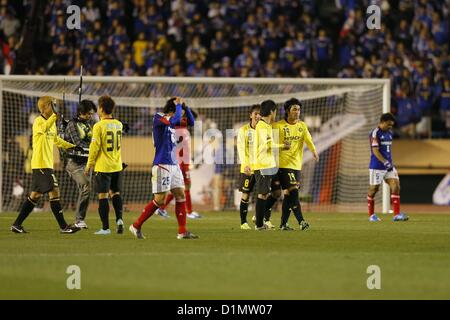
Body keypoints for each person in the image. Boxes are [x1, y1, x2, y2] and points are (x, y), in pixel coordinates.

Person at [129, 97, 198, 239]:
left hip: (174, 164)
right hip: (162, 164)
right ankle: (136, 225)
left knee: (180, 195)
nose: (182, 116)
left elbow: (192, 122)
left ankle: (182, 231)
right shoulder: (159, 117)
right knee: (160, 200)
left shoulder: (175, 122)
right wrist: (179, 105)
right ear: (173, 110)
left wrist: (185, 106)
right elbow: (174, 119)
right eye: (180, 112)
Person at [10, 96, 81, 234]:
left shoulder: (51, 123)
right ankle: (64, 227)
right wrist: (54, 118)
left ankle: (16, 224)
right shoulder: (38, 121)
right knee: (55, 192)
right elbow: (43, 129)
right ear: (44, 107)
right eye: (52, 105)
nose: (55, 107)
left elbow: (57, 140)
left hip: (46, 164)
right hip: (41, 164)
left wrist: (72, 147)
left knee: (34, 196)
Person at [271, 98, 318, 230]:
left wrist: (314, 151)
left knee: (287, 194)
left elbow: (308, 139)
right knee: (294, 192)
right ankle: (301, 221)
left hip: (296, 165)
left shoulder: (302, 126)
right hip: (283, 165)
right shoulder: (278, 126)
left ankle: (283, 223)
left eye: (298, 109)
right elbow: (272, 145)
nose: (297, 112)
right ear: (287, 111)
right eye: (294, 109)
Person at [84, 96, 125, 234]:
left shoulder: (98, 126)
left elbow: (94, 147)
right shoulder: (119, 124)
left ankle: (105, 228)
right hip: (117, 165)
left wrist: (89, 164)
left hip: (103, 166)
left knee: (103, 196)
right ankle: (119, 220)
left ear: (101, 108)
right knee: (116, 193)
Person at [156, 104, 201, 219]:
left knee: (179, 188)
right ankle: (189, 211)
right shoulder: (178, 126)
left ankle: (161, 208)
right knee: (185, 186)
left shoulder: (182, 126)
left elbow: (192, 119)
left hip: (183, 160)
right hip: (180, 160)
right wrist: (182, 108)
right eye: (181, 113)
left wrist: (186, 108)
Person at [251, 99, 289, 230]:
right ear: (272, 111)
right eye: (275, 111)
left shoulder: (266, 126)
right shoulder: (262, 126)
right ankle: (259, 224)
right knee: (262, 194)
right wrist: (283, 146)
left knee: (268, 193)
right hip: (262, 165)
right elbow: (268, 145)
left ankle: (259, 220)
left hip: (268, 165)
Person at [367, 113, 409, 222]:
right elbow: (375, 151)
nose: (390, 127)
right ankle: (371, 215)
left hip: (389, 166)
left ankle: (396, 215)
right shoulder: (375, 133)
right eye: (389, 125)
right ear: (382, 122)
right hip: (377, 166)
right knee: (373, 189)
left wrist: (389, 163)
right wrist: (385, 162)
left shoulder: (389, 133)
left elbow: (387, 150)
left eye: (392, 125)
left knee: (396, 185)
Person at [64, 100, 96, 229]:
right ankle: (79, 219)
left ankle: (79, 219)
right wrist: (93, 148)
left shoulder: (89, 124)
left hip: (87, 162)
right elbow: (78, 144)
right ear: (81, 112)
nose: (90, 116)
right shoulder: (72, 125)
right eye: (88, 113)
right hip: (74, 163)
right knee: (86, 187)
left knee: (86, 189)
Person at [237, 104, 260, 230]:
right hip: (247, 168)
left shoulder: (264, 130)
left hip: (261, 167)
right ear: (250, 115)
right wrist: (245, 164)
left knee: (263, 194)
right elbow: (241, 149)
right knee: (246, 195)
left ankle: (258, 216)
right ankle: (243, 222)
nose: (257, 116)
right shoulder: (243, 130)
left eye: (259, 114)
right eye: (255, 113)